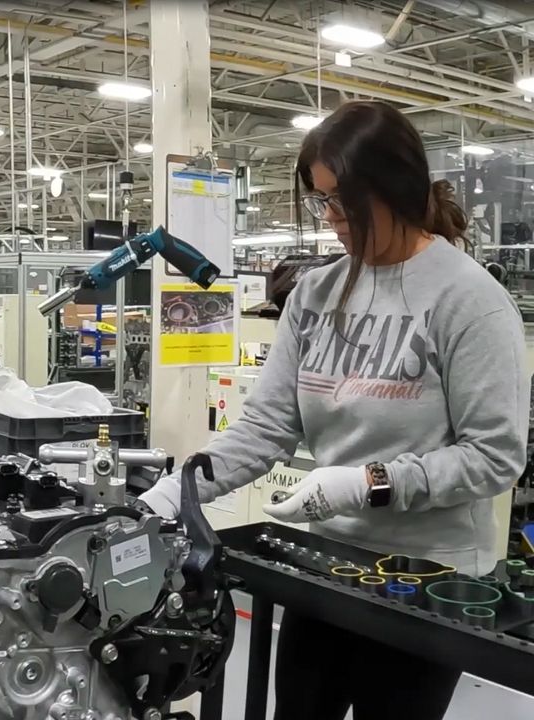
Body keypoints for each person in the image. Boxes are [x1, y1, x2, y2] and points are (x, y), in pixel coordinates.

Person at [139, 100, 529, 720]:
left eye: (343, 201)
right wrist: (181, 489)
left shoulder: (469, 300)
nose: (332, 220)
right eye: (322, 201)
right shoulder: (318, 293)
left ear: (394, 188)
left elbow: (494, 457)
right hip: (329, 566)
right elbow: (266, 425)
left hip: (428, 580)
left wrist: (368, 483)